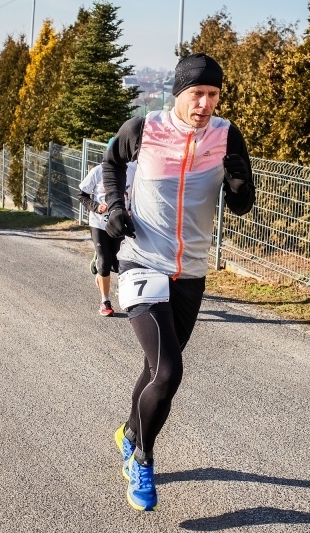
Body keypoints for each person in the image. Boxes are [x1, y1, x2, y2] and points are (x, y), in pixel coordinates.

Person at [103, 53, 255, 512]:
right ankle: (143, 461)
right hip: (141, 262)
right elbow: (111, 162)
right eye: (197, 94)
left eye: (213, 94)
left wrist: (238, 184)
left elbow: (242, 204)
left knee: (156, 371)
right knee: (169, 371)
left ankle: (130, 433)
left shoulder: (227, 135)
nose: (205, 104)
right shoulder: (144, 128)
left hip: (190, 272)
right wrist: (116, 207)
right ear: (178, 94)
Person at [77, 159, 136, 316]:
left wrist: (131, 210)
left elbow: (137, 195)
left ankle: (103, 269)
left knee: (119, 264)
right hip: (99, 223)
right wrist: (96, 207)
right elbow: (82, 195)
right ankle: (105, 301)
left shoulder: (132, 170)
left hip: (120, 223)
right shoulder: (97, 171)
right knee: (104, 263)